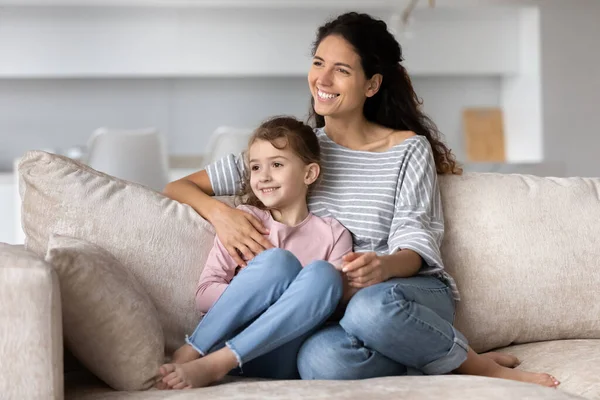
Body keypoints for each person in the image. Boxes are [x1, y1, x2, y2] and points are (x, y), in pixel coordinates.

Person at [163, 12, 559, 388]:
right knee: (321, 362)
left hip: (400, 291)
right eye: (319, 63)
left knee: (369, 310)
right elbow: (179, 187)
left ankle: (474, 364)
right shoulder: (294, 153)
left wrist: (383, 267)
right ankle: (432, 354)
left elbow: (417, 240)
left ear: (371, 85)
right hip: (327, 305)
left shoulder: (407, 149)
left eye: (342, 69)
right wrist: (221, 215)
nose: (323, 78)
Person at [157, 116, 355, 390]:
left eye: (276, 164)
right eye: (255, 167)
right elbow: (204, 294)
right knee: (278, 263)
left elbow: (332, 306)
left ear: (309, 173)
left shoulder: (335, 234)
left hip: (284, 352)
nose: (263, 176)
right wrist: (263, 295)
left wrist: (285, 302)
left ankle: (217, 365)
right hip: (221, 341)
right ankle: (193, 351)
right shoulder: (244, 221)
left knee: (324, 274)